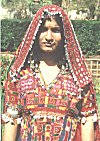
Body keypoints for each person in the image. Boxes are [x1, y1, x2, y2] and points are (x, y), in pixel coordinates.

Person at [2, 5, 99, 141]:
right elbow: (11, 120)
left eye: (55, 30)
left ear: (64, 35)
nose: (49, 37)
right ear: (35, 34)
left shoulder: (78, 78)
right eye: (43, 30)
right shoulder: (20, 76)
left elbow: (87, 120)